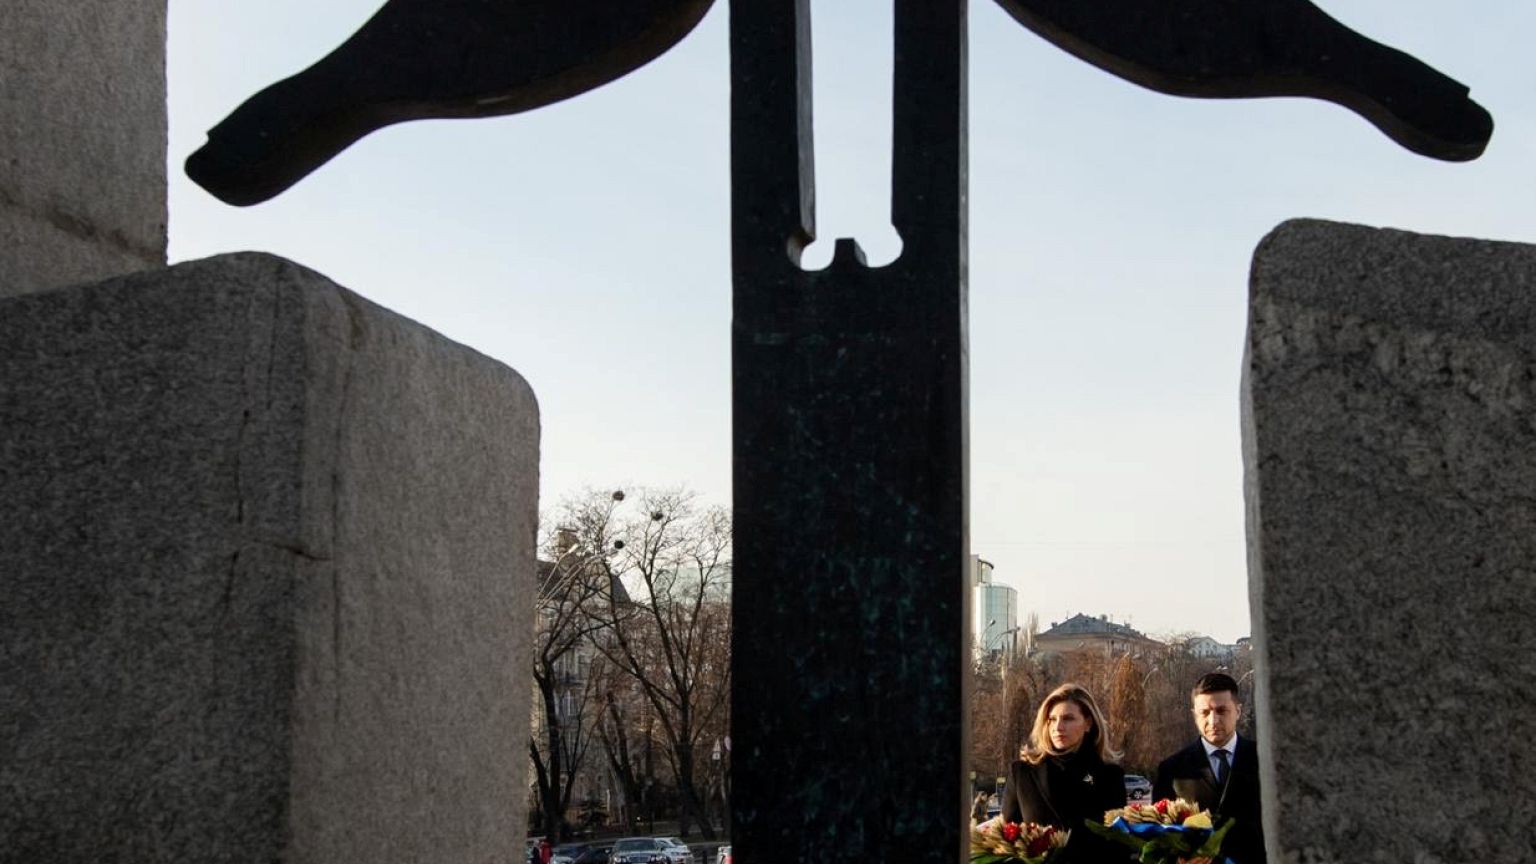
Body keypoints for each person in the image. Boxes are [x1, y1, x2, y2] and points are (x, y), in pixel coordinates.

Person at [1002, 683, 1127, 863]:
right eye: (1052, 719)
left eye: (1068, 719)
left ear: (1088, 723)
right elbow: (1006, 842)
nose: (1058, 727)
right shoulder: (1023, 773)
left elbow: (1118, 847)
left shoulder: (1109, 776)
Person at [1153, 672, 1265, 864]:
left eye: (1221, 711)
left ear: (1238, 711)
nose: (1213, 721)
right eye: (1205, 712)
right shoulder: (1172, 770)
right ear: (1194, 715)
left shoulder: (1264, 761)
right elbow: (1158, 837)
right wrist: (1179, 860)